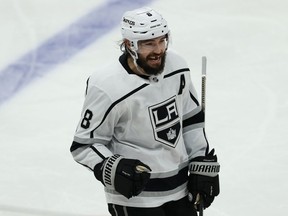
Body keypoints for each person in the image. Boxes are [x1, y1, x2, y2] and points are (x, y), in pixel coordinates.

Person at [70, 7, 220, 216]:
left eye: (162, 40)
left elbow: (191, 118)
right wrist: (110, 167)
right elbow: (84, 145)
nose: (158, 50)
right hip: (135, 199)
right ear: (129, 45)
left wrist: (199, 159)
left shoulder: (177, 66)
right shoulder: (106, 85)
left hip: (180, 191)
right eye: (149, 43)